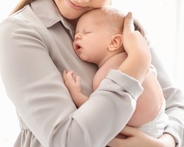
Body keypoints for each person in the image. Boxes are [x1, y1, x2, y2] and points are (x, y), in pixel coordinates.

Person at [0, 0, 183, 147]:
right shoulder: (20, 33)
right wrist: (135, 64)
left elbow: (176, 103)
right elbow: (66, 141)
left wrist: (166, 142)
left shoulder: (120, 26)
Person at [63, 7, 169, 139]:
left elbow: (99, 111)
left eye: (87, 32)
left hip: (142, 131)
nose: (77, 36)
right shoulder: (136, 59)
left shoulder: (107, 73)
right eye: (76, 34)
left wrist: (76, 94)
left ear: (114, 42)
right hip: (163, 124)